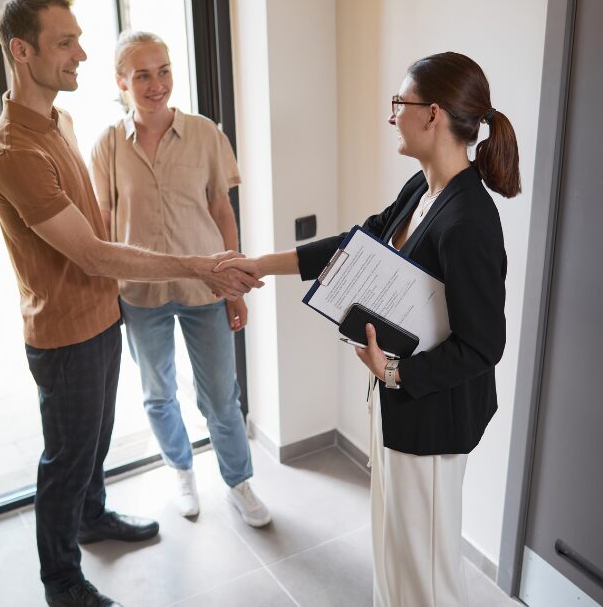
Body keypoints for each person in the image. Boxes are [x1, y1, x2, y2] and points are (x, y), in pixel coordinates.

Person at [0, 0, 262, 607]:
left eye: (79, 39)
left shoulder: (60, 122)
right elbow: (95, 249)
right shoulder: (15, 151)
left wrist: (215, 273)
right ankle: (62, 582)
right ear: (21, 51)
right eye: (65, 42)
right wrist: (197, 265)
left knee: (96, 442)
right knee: (67, 458)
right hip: (67, 331)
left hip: (104, 315)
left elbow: (109, 225)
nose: (78, 51)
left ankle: (95, 517)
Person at [217, 52, 519, 606]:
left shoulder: (469, 220)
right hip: (396, 399)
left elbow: (484, 345)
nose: (391, 116)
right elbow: (357, 247)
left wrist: (397, 372)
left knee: (427, 576)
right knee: (393, 551)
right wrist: (261, 264)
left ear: (432, 115)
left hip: (432, 416)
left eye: (398, 104)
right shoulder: (422, 191)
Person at [89, 31, 270, 527]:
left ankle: (239, 482)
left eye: (164, 70)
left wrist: (234, 283)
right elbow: (104, 220)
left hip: (205, 288)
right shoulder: (107, 145)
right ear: (121, 82)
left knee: (220, 395)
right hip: (140, 294)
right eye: (143, 74)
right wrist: (106, 291)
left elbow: (220, 209)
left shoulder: (206, 134)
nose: (157, 84)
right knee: (158, 393)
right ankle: (181, 471)